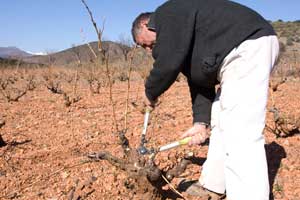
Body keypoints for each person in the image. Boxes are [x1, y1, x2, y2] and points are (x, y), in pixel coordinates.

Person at [131, 0, 279, 199]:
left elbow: (167, 64)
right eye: (143, 48)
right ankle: (213, 184)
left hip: (248, 44)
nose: (148, 50)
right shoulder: (185, 40)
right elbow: (200, 83)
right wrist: (201, 123)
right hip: (236, 54)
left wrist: (149, 92)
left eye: (144, 44)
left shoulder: (166, 13)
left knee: (240, 131)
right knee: (220, 121)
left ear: (145, 25)